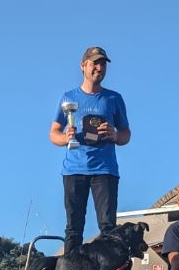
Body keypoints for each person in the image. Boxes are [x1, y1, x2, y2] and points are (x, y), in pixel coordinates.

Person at [49, 46, 131, 254]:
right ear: (83, 66)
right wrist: (65, 137)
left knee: (108, 228)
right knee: (74, 228)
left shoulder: (114, 98)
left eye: (103, 64)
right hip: (74, 170)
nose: (99, 68)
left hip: (105, 171)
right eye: (94, 63)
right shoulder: (68, 98)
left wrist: (114, 135)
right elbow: (53, 134)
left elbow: (126, 135)